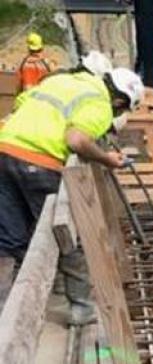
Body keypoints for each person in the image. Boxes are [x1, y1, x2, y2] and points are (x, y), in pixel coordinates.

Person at [0, 66, 144, 261]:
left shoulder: (61, 80)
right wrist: (105, 158)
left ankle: (11, 288)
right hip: (41, 160)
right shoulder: (100, 104)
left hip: (4, 150)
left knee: (10, 240)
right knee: (66, 240)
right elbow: (76, 140)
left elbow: (20, 103)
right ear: (118, 101)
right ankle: (74, 290)